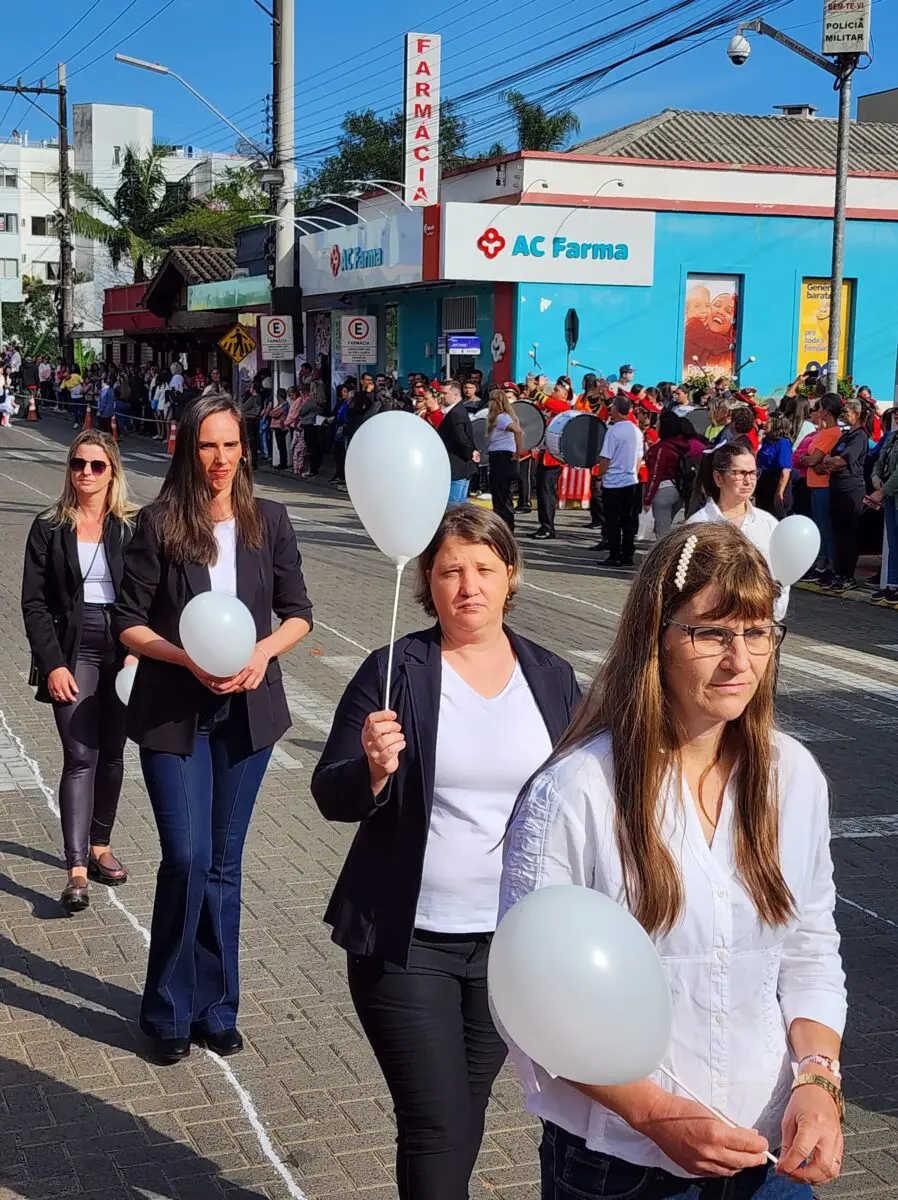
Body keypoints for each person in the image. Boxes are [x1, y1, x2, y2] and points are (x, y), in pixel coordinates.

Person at [500, 520, 846, 1200]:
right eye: (712, 632)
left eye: (756, 633)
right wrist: (653, 1113)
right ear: (655, 637)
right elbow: (528, 999)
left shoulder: (792, 777)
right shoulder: (575, 793)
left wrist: (817, 1077)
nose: (738, 659)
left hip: (766, 1158)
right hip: (622, 1169)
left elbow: (810, 948)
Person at [312, 505, 581, 1200]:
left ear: (511, 576)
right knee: (435, 1123)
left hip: (509, 949)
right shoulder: (394, 670)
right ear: (427, 581)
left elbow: (580, 797)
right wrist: (371, 769)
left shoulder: (549, 675)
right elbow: (330, 793)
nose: (469, 586)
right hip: (407, 942)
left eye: (484, 569)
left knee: (465, 1115)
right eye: (451, 570)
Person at [113, 395, 314, 1064]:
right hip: (176, 714)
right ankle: (168, 1009)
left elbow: (298, 613)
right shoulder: (158, 525)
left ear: (244, 450)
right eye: (207, 445)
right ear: (186, 448)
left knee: (224, 867)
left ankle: (217, 1006)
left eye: (230, 445)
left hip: (247, 716)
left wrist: (260, 653)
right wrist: (184, 657)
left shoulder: (271, 521)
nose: (220, 459)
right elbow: (129, 622)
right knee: (187, 859)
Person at [21, 432, 136, 911]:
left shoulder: (131, 528)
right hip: (74, 648)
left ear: (112, 472)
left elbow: (149, 595)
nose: (85, 473)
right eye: (77, 465)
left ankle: (101, 844)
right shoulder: (48, 526)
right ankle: (77, 871)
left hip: (124, 644)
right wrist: (52, 664)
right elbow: (33, 603)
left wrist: (139, 653)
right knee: (80, 754)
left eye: (96, 465)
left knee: (112, 754)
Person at [688, 442, 789, 620]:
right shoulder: (699, 524)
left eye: (753, 473)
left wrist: (772, 615)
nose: (748, 481)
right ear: (718, 478)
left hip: (759, 622)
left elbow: (781, 579)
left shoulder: (768, 524)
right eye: (739, 473)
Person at [823, 397, 868, 593]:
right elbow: (828, 458)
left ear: (856, 414)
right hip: (837, 489)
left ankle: (848, 574)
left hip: (851, 490)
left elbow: (842, 461)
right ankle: (839, 572)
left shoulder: (860, 437)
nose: (844, 416)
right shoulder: (845, 436)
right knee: (838, 534)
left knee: (849, 535)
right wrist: (831, 461)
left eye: (847, 413)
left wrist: (833, 461)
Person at [799, 393, 842, 584]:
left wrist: (812, 461)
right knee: (818, 525)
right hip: (814, 483)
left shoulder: (833, 433)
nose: (817, 412)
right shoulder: (823, 433)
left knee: (825, 526)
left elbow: (814, 459)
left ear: (826, 411)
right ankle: (821, 562)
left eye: (820, 408)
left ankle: (830, 565)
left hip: (824, 485)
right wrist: (810, 461)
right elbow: (808, 458)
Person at [596, 396, 643, 567]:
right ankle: (628, 554)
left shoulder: (614, 431)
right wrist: (634, 474)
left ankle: (615, 554)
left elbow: (605, 458)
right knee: (629, 521)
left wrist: (600, 476)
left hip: (614, 482)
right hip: (631, 480)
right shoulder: (636, 431)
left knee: (613, 521)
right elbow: (639, 457)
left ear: (616, 409)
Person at [643, 409, 694, 538]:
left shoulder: (662, 448)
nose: (656, 425)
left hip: (663, 490)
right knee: (665, 528)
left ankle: (663, 557)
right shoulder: (682, 445)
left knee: (662, 534)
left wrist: (647, 498)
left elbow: (655, 474)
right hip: (678, 489)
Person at [531, 384, 572, 540]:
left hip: (553, 459)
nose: (553, 392)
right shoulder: (553, 408)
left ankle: (548, 527)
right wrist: (538, 389)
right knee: (542, 492)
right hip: (544, 455)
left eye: (557, 390)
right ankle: (544, 525)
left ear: (565, 394)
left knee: (547, 493)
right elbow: (538, 407)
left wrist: (537, 391)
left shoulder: (564, 406)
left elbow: (546, 402)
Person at [486, 388, 523, 531]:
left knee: (502, 498)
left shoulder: (502, 417)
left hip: (503, 458)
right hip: (500, 457)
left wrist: (518, 452)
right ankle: (504, 528)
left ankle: (506, 529)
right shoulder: (501, 418)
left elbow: (518, 431)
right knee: (501, 496)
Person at [439, 381, 477, 506]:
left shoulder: (455, 413)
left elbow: (463, 439)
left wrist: (468, 454)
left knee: (453, 507)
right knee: (459, 506)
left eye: (445, 393)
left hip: (457, 466)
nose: (441, 396)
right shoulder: (458, 410)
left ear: (455, 394)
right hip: (461, 466)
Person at [755, 414, 794, 518]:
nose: (765, 423)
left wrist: (779, 492)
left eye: (768, 421)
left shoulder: (783, 443)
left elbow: (785, 470)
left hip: (775, 485)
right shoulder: (766, 441)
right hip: (763, 485)